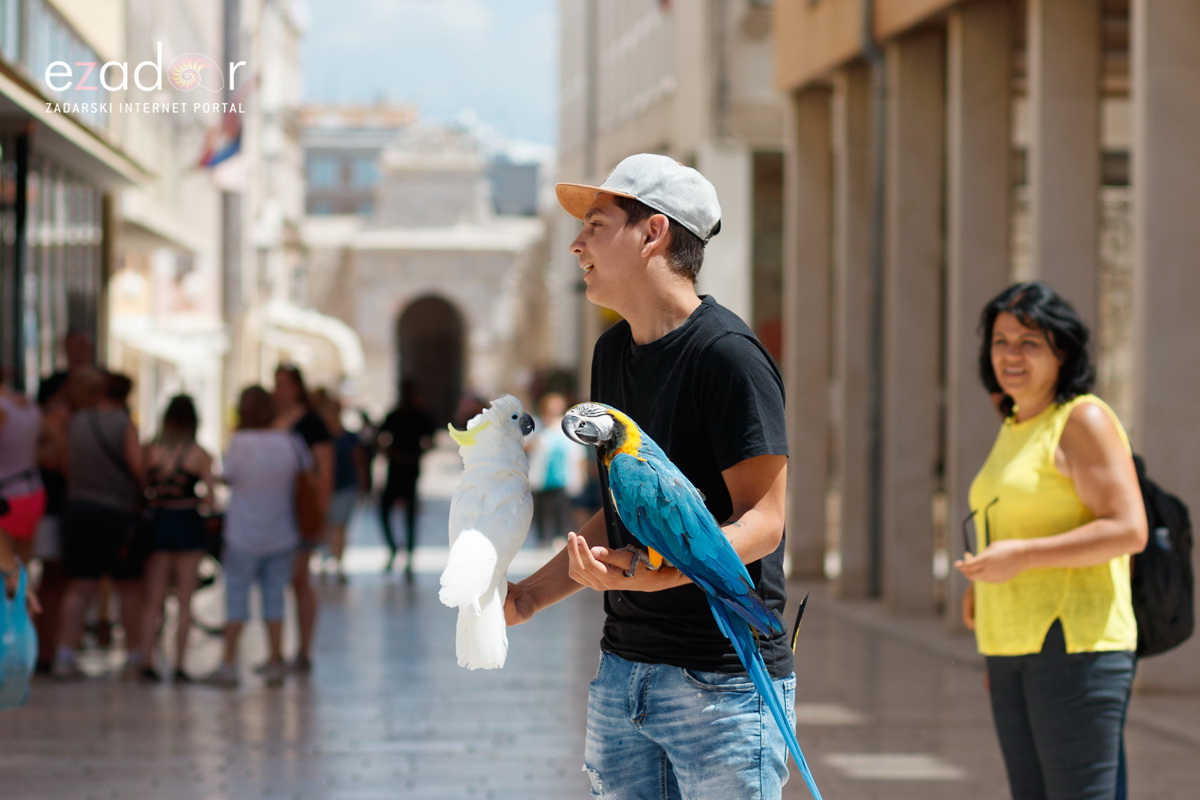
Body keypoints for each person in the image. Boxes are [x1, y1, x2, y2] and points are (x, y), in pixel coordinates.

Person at [505, 154, 794, 798]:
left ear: (653, 234)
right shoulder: (611, 354)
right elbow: (620, 513)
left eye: (597, 224)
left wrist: (659, 575)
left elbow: (765, 524)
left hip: (720, 684)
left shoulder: (730, 359)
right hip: (623, 673)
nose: (576, 244)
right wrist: (527, 597)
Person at [954, 281, 1146, 800]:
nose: (1011, 355)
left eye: (1029, 342)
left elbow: (1130, 528)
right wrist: (987, 585)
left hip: (1074, 645)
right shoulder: (1016, 421)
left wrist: (1020, 558)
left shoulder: (1081, 418)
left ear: (1063, 350)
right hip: (1011, 643)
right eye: (1000, 341)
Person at [204, 385, 309, 688]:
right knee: (275, 597)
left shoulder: (240, 443)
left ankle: (228, 664)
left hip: (243, 533)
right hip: (282, 530)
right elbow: (304, 476)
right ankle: (275, 659)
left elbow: (230, 476)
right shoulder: (290, 442)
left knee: (236, 597)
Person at [52, 370, 148, 680]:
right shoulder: (124, 424)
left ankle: (63, 654)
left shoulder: (78, 421)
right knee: (128, 587)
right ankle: (135, 655)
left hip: (78, 509)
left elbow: (66, 463)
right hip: (116, 513)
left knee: (79, 586)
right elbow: (138, 467)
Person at [135, 395, 217, 683]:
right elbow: (210, 497)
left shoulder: (150, 450)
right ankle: (180, 664)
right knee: (185, 599)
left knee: (153, 599)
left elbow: (141, 485)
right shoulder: (200, 454)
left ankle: (146, 660)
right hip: (187, 523)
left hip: (158, 523)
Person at [273, 363, 332, 672]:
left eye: (284, 383)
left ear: (297, 387)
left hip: (300, 512)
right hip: (273, 511)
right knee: (275, 583)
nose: (279, 390)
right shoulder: (270, 421)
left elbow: (325, 469)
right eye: (276, 383)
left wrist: (320, 513)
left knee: (299, 580)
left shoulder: (311, 424)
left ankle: (303, 649)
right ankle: (275, 650)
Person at [377, 379, 437, 579]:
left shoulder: (420, 415)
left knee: (409, 514)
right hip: (395, 469)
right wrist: (391, 453)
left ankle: (409, 555)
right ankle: (394, 548)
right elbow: (380, 436)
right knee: (385, 510)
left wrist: (416, 454)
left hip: (410, 470)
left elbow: (431, 439)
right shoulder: (394, 415)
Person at [313, 389, 368, 583]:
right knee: (325, 527)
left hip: (346, 488)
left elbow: (359, 463)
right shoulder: (319, 439)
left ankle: (338, 562)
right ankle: (325, 560)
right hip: (324, 488)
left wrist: (364, 486)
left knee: (340, 527)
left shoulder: (349, 438)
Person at [0, 368, 47, 565]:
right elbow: (55, 441)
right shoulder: (27, 405)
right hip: (32, 489)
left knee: (7, 570)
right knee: (20, 568)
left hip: (6, 496)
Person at [525, 392, 585, 545]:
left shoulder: (567, 428)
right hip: (540, 479)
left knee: (561, 511)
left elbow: (578, 454)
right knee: (540, 512)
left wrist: (581, 476)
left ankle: (559, 539)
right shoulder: (537, 427)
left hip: (561, 479)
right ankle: (542, 540)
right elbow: (525, 447)